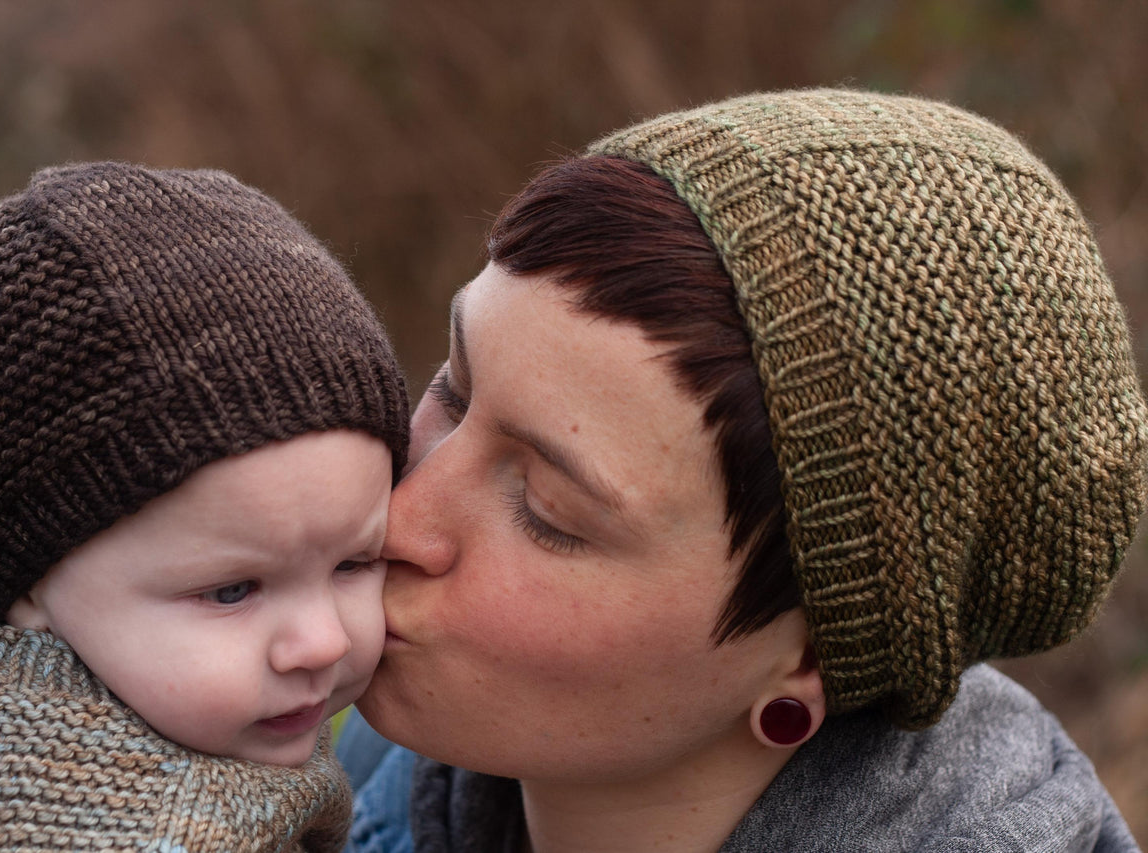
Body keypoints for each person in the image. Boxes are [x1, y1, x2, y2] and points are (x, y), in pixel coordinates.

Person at [341, 89, 1147, 851]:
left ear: (806, 660)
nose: (395, 516)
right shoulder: (345, 771)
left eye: (546, 509)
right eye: (454, 390)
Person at [0, 162, 410, 852]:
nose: (324, 641)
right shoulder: (66, 819)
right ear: (26, 584)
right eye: (232, 590)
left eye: (354, 563)